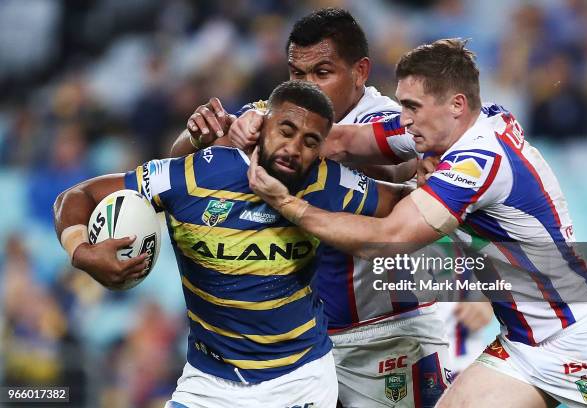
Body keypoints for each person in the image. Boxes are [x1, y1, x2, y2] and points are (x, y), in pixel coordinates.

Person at [247, 39, 587, 408]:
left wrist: (286, 203)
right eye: (403, 103)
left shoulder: (479, 161)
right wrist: (253, 123)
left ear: (456, 104)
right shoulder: (459, 124)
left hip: (583, 334)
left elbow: (386, 238)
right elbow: (340, 141)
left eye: (412, 107)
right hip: (522, 345)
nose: (404, 118)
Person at [53, 80, 408, 408]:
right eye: (286, 130)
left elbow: (407, 204)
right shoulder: (193, 176)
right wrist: (82, 253)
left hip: (301, 380)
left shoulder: (326, 182)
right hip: (208, 384)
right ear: (261, 125)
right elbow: (79, 195)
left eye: (310, 141)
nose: (294, 148)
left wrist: (437, 172)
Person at [171, 8, 452, 407]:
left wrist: (423, 167)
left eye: (322, 73)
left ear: (360, 72)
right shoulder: (278, 113)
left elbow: (407, 162)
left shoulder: (386, 117)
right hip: (297, 351)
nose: (309, 87)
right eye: (297, 75)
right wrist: (197, 135)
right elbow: (178, 165)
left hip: (384, 336)